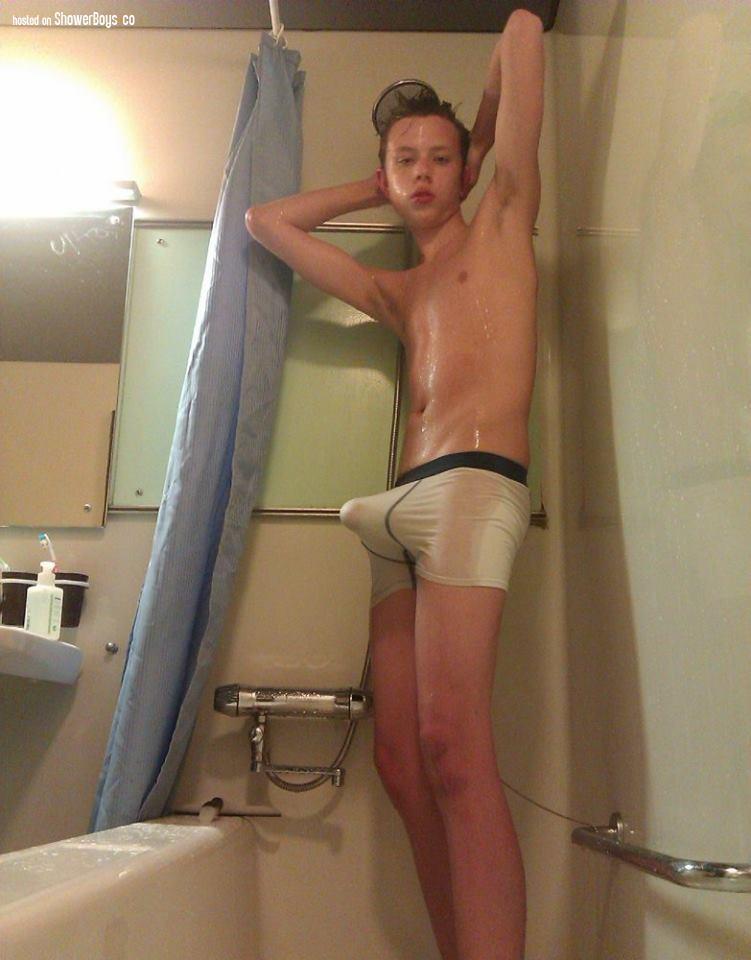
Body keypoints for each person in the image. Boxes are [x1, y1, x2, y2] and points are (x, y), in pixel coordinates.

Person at [246, 9, 544, 958]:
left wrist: (482, 141)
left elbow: (523, 27)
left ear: (466, 172)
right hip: (396, 509)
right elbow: (266, 223)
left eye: (437, 159)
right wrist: (372, 184)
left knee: (454, 749)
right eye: (403, 160)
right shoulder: (399, 293)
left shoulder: (502, 223)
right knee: (400, 763)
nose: (422, 172)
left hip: (471, 488)